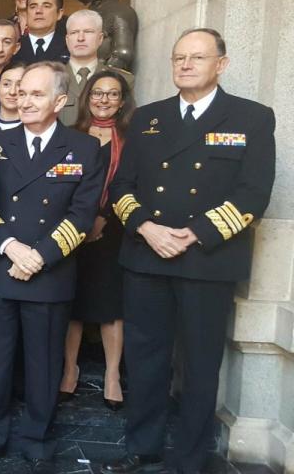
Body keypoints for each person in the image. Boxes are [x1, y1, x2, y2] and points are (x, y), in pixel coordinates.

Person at [103, 29, 276, 474]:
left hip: (207, 260)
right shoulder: (148, 118)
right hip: (147, 256)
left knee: (200, 365)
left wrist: (194, 233)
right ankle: (142, 447)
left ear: (222, 64)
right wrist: (146, 227)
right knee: (145, 360)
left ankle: (190, 459)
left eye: (197, 57)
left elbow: (253, 194)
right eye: (179, 57)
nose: (185, 64)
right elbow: (122, 186)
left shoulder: (251, 118)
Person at [0, 61, 103, 474]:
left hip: (49, 274)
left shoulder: (84, 148)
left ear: (60, 101)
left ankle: (38, 439)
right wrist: (11, 248)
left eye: (36, 94)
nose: (24, 101)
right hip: (0, 268)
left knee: (44, 366)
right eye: (21, 92)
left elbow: (82, 215)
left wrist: (39, 256)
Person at [58, 70, 134, 411]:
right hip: (72, 230)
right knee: (73, 304)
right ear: (87, 97)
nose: (104, 99)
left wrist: (104, 218)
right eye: (97, 93)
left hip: (114, 231)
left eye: (112, 93)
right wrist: (82, 222)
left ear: (123, 100)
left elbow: (132, 184)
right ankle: (68, 371)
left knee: (110, 306)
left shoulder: (131, 139)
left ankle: (112, 375)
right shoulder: (71, 135)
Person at [62, 9, 135, 126]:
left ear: (100, 38)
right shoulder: (51, 78)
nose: (80, 38)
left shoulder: (123, 79)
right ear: (67, 39)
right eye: (74, 32)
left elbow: (127, 123)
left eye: (88, 32)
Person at [12, 0, 70, 65]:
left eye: (46, 6)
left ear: (59, 14)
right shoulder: (13, 47)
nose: (38, 11)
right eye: (33, 7)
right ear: (26, 12)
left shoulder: (70, 46)